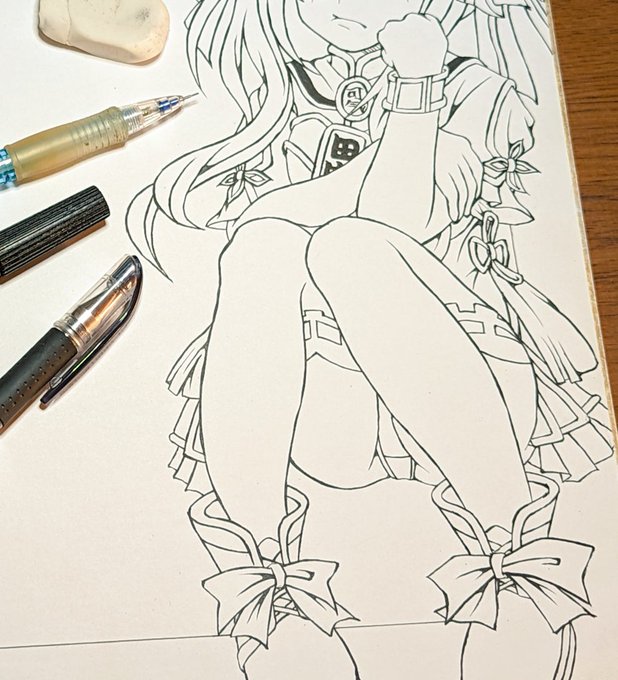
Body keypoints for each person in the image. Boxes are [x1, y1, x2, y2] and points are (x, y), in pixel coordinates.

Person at [127, 2, 612, 677]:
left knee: (350, 246)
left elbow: (399, 216)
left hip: (463, 385)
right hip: (327, 407)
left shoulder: (474, 89)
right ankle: (270, 581)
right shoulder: (280, 93)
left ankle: (512, 561)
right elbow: (255, 226)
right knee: (263, 247)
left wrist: (417, 85)